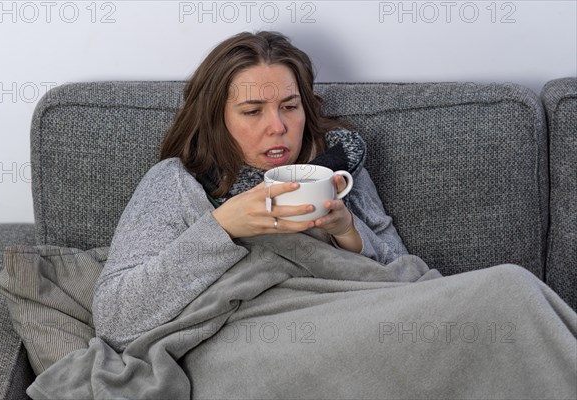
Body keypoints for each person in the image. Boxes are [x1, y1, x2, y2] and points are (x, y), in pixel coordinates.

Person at [90, 31, 576, 399]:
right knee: (508, 292)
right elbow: (115, 319)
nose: (277, 127)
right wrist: (222, 228)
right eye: (253, 111)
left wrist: (346, 230)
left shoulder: (335, 166)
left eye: (289, 106)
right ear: (217, 117)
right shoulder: (176, 182)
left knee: (510, 294)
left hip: (353, 320)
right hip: (245, 345)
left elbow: (401, 278)